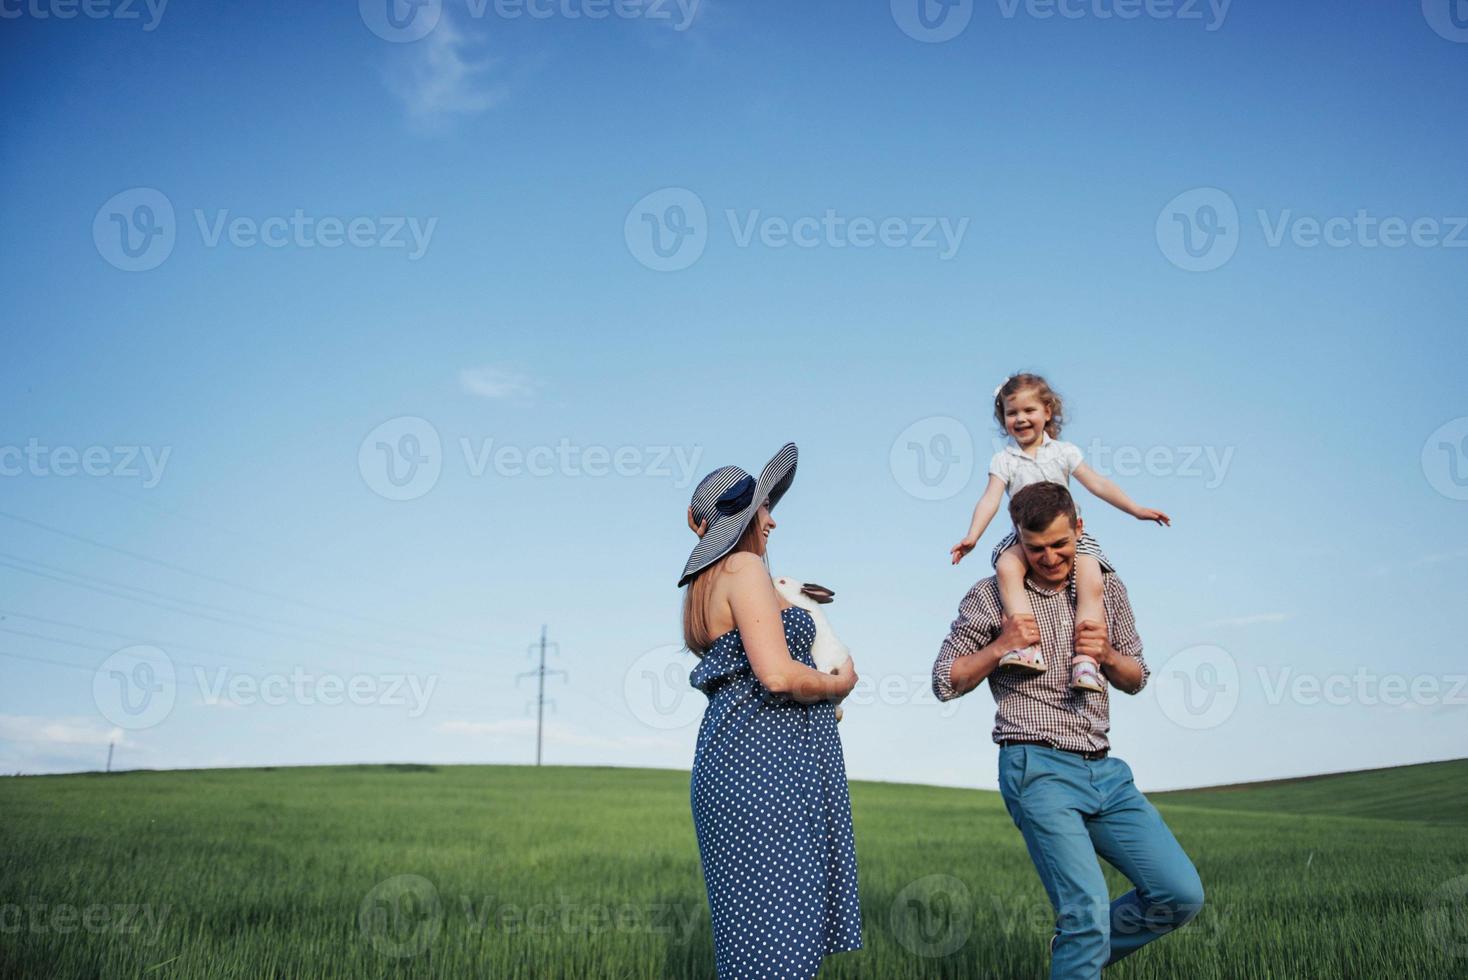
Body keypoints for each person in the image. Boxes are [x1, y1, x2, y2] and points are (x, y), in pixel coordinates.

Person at [933, 481, 1203, 979]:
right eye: (1036, 549)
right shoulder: (990, 597)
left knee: (1179, 894)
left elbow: (1135, 678)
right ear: (1017, 539)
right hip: (1036, 766)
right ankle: (1082, 938)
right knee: (1084, 914)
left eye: (1061, 544)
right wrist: (999, 648)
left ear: (1079, 528)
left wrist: (1106, 656)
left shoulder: (1106, 587)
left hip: (1104, 770)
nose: (1051, 557)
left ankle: (1079, 945)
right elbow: (943, 681)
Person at [679, 442, 863, 978]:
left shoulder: (707, 585)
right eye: (764, 507)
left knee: (765, 945)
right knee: (779, 948)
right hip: (766, 770)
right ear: (745, 518)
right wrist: (840, 684)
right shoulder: (743, 567)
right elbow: (778, 674)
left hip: (752, 762)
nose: (772, 522)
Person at [950, 373, 1170, 692]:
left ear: (1047, 412)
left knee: (1092, 580)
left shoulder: (1064, 453)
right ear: (1004, 419)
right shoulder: (1005, 460)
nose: (1021, 419)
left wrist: (1135, 509)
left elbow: (1098, 484)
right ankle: (1027, 645)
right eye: (1012, 413)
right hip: (1026, 538)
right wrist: (973, 536)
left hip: (1066, 533)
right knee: (1006, 567)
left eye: (1029, 411)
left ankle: (1086, 662)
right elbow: (989, 500)